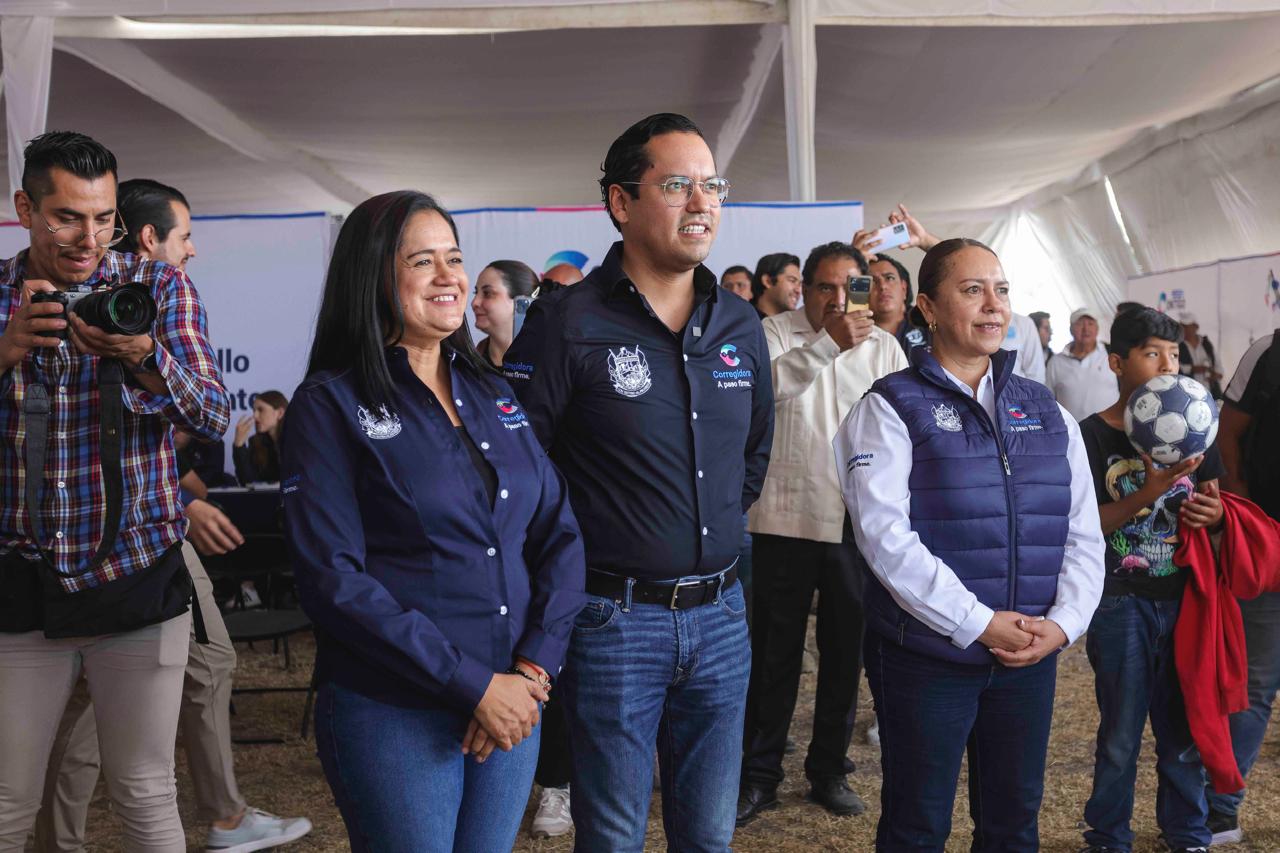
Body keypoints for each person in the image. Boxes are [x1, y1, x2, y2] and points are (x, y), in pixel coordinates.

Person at [280, 189, 585, 852]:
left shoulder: (494, 392)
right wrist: (473, 685)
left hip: (512, 700)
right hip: (394, 711)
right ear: (373, 276)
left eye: (454, 257)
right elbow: (333, 580)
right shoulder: (328, 406)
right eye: (422, 261)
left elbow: (559, 532)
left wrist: (532, 672)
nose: (449, 276)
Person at [504, 113, 774, 852]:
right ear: (621, 203)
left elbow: (753, 453)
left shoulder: (739, 323)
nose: (702, 202)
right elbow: (519, 468)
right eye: (678, 184)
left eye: (713, 185)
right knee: (614, 836)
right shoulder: (567, 322)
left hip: (722, 614)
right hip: (612, 620)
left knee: (709, 836)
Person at [32, 177, 310, 852]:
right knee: (123, 694)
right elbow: (74, 454)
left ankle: (222, 814)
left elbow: (179, 421)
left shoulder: (160, 306)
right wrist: (185, 505)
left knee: (202, 665)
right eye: (185, 236)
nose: (193, 251)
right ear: (151, 238)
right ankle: (72, 836)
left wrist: (186, 491)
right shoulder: (74, 304)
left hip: (154, 530)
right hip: (125, 540)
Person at [834, 238, 1104, 851]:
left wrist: (1062, 625)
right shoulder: (889, 407)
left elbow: (1083, 532)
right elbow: (885, 540)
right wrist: (979, 623)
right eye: (972, 290)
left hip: (1028, 656)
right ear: (928, 308)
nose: (993, 305)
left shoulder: (1046, 410)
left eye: (1001, 290)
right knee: (917, 826)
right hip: (929, 657)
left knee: (1013, 824)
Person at [0, 131, 230, 849]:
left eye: (104, 219)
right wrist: (6, 349)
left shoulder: (156, 287)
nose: (88, 239)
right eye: (66, 217)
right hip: (21, 577)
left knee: (145, 790)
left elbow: (212, 413)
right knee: (7, 798)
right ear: (25, 210)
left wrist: (144, 355)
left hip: (136, 573)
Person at [737, 241, 907, 826]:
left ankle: (829, 769)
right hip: (785, 519)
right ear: (801, 289)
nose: (838, 299)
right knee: (774, 654)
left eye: (850, 287)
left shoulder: (883, 346)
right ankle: (759, 774)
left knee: (843, 653)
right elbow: (762, 395)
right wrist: (828, 343)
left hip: (856, 524)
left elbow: (899, 427)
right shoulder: (772, 334)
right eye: (824, 288)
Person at [1078, 308, 1222, 853]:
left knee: (1181, 729)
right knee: (1120, 733)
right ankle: (1108, 836)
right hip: (1119, 601)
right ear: (1117, 363)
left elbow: (1214, 504)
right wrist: (1147, 492)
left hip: (1183, 599)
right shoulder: (1092, 435)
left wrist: (1215, 515)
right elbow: (1086, 523)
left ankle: (1188, 833)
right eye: (1151, 353)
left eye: (1174, 354)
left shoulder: (1196, 423)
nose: (1167, 365)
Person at [1202, 329, 1280, 845]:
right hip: (1268, 546)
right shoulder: (1269, 352)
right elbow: (1226, 432)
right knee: (1254, 687)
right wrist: (1243, 507)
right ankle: (1220, 809)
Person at [1046, 308, 1119, 420]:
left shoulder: (1111, 354)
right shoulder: (1055, 362)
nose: (1086, 329)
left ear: (1097, 329)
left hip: (1110, 429)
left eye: (1090, 324)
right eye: (1080, 324)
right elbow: (1048, 401)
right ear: (1071, 329)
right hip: (1070, 429)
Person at [472, 259, 538, 368]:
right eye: (476, 292)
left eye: (487, 293)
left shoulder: (551, 363)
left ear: (522, 302)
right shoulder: (468, 365)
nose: (474, 302)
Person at [866, 253, 929, 359]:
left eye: (889, 278)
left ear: (904, 288)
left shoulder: (929, 318)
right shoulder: (853, 335)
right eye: (872, 281)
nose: (883, 286)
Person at [232, 390, 286, 484]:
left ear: (280, 413)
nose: (255, 416)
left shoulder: (296, 441)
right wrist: (239, 445)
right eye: (254, 411)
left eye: (261, 410)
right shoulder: (255, 441)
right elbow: (247, 482)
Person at [1176, 311, 1223, 398]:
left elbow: (1218, 366)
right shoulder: (1178, 345)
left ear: (1196, 327)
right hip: (1189, 393)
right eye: (1182, 327)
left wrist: (1215, 375)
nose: (1184, 330)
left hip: (1210, 392)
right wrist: (1192, 369)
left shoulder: (1206, 344)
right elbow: (1176, 367)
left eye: (1187, 327)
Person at [750, 252, 802, 318]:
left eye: (800, 284)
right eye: (792, 281)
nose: (798, 290)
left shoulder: (798, 322)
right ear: (767, 281)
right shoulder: (742, 318)